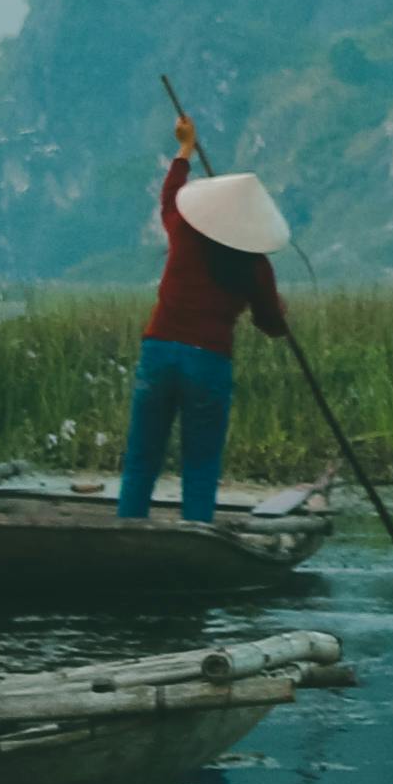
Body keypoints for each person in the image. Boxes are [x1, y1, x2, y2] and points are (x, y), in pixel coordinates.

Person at [120, 119, 294, 525]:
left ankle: (128, 529)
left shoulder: (184, 231)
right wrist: (279, 313)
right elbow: (271, 324)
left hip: (159, 350)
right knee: (200, 462)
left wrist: (185, 150)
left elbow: (169, 198)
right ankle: (196, 531)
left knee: (143, 455)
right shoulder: (254, 264)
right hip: (208, 361)